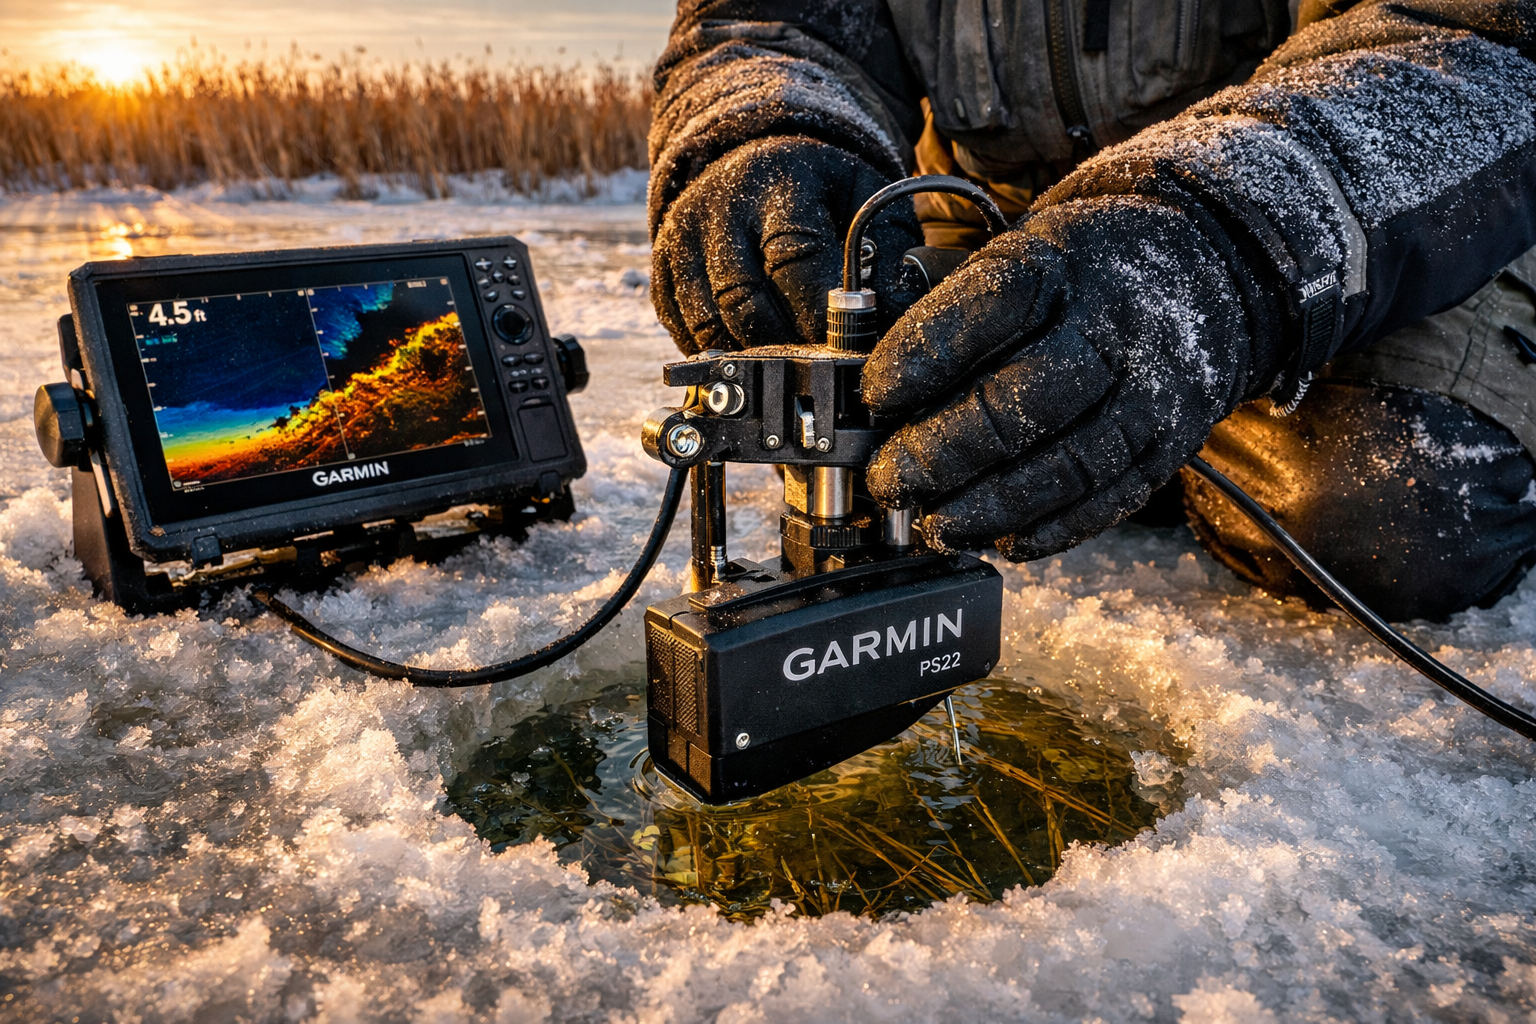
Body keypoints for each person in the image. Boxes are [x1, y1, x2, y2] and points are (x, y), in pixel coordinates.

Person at [647, 0, 1536, 621]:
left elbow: (1479, 41)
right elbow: (766, 25)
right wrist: (761, 127)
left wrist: (1224, 242)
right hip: (996, 228)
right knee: (895, 394)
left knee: (1388, 514)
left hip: (1330, 219)